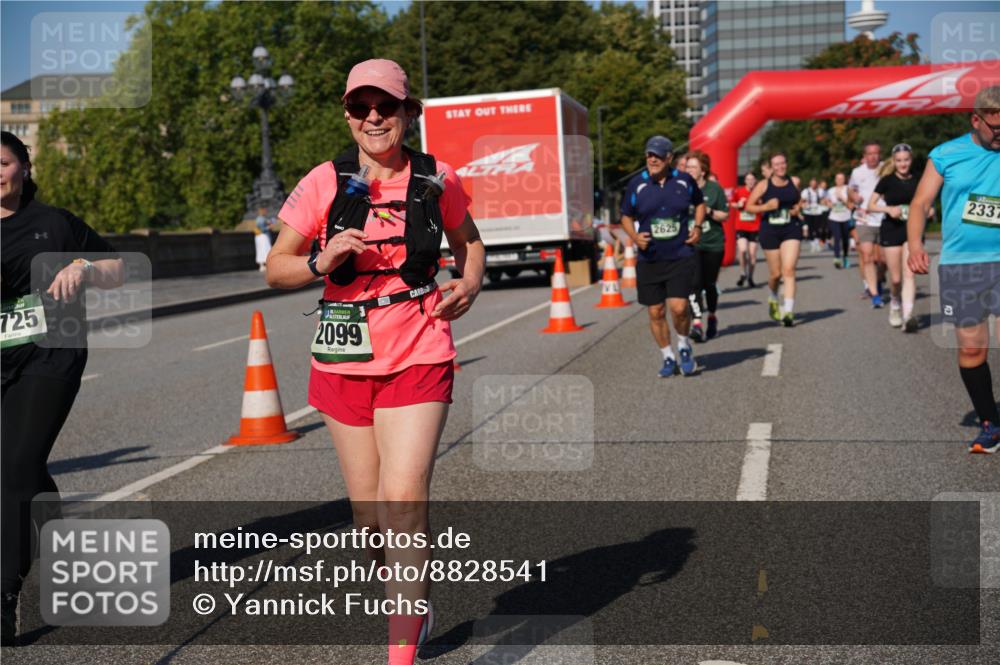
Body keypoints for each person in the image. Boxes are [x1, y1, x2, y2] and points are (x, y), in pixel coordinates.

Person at [266, 59, 485, 663]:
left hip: (419, 347)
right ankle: (412, 598)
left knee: (403, 499)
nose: (373, 117)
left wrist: (470, 282)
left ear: (408, 112)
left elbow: (469, 242)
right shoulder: (324, 181)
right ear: (347, 115)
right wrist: (321, 260)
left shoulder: (436, 177)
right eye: (360, 107)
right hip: (343, 359)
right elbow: (276, 268)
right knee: (370, 521)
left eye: (385, 106)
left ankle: (400, 649)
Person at [1, 131, 125, 646]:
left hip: (52, 353)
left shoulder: (54, 222)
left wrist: (83, 266)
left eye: (3, 162)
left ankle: (4, 593)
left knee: (13, 468)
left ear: (24, 167)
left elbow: (118, 268)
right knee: (21, 466)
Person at [908, 85, 1000, 454]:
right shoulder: (946, 154)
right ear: (976, 120)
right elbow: (920, 203)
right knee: (973, 350)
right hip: (962, 266)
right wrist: (915, 245)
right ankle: (990, 423)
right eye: (996, 128)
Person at [620, 135, 705, 377]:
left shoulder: (684, 181)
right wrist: (634, 237)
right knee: (655, 311)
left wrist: (698, 227)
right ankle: (668, 357)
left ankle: (684, 345)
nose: (652, 159)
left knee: (679, 308)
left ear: (669, 158)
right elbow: (625, 216)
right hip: (650, 258)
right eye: (649, 155)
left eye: (657, 155)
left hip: (680, 254)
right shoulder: (637, 184)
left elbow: (699, 204)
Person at [868, 143, 927, 331]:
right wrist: (889, 209)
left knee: (910, 274)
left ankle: (908, 316)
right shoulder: (886, 180)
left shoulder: (918, 179)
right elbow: (871, 205)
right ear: (894, 161)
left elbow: (926, 201)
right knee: (895, 279)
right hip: (891, 229)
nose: (903, 164)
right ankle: (894, 303)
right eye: (899, 160)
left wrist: (929, 210)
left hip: (913, 230)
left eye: (906, 160)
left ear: (911, 160)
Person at [746, 152, 802, 327]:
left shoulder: (794, 181)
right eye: (776, 164)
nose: (780, 167)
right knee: (776, 274)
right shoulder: (764, 185)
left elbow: (798, 201)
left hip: (791, 228)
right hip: (770, 230)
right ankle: (773, 296)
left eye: (782, 163)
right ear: (771, 168)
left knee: (789, 269)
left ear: (786, 164)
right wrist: (766, 206)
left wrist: (796, 209)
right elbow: (749, 206)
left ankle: (788, 312)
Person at [684, 150, 729, 341]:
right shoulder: (681, 188)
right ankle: (697, 322)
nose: (689, 170)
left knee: (709, 285)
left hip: (713, 243)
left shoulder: (714, 189)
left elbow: (725, 215)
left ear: (703, 171)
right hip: (692, 244)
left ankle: (711, 316)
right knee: (694, 284)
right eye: (687, 167)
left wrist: (708, 211)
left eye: (693, 167)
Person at [849, 141, 886, 307]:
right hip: (864, 218)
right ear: (864, 156)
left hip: (884, 217)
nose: (873, 157)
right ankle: (875, 294)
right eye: (869, 154)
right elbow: (851, 189)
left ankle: (878, 280)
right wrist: (854, 196)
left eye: (876, 153)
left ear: (880, 154)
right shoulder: (857, 172)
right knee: (867, 256)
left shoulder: (887, 169)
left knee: (883, 260)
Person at [731, 171, 760, 287]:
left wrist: (759, 204)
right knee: (742, 250)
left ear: (755, 181)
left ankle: (750, 277)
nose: (750, 181)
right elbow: (731, 203)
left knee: (752, 254)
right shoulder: (739, 191)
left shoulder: (759, 192)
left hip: (755, 226)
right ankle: (743, 272)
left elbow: (764, 205)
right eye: (748, 179)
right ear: (745, 181)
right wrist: (738, 204)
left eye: (752, 179)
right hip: (741, 226)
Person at [824, 172, 853, 269]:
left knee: (845, 239)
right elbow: (826, 201)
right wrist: (828, 204)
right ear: (835, 180)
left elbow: (851, 205)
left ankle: (845, 257)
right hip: (834, 217)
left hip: (846, 217)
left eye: (841, 178)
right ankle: (837, 258)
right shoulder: (831, 190)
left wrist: (842, 198)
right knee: (837, 237)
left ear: (844, 180)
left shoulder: (848, 189)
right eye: (838, 178)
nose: (839, 180)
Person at [801, 178, 826, 253]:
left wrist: (823, 202)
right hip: (808, 212)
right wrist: (804, 204)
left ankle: (817, 242)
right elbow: (802, 201)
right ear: (810, 184)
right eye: (812, 183)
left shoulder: (820, 191)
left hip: (818, 211)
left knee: (818, 228)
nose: (813, 185)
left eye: (814, 183)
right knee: (810, 228)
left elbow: (824, 199)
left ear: (816, 184)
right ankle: (812, 244)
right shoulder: (806, 191)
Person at [254, 207, 273, 271]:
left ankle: (262, 265)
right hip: (263, 236)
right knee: (266, 250)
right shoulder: (262, 219)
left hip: (258, 236)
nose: (266, 212)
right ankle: (265, 265)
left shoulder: (259, 218)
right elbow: (262, 229)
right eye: (265, 211)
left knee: (260, 250)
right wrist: (269, 227)